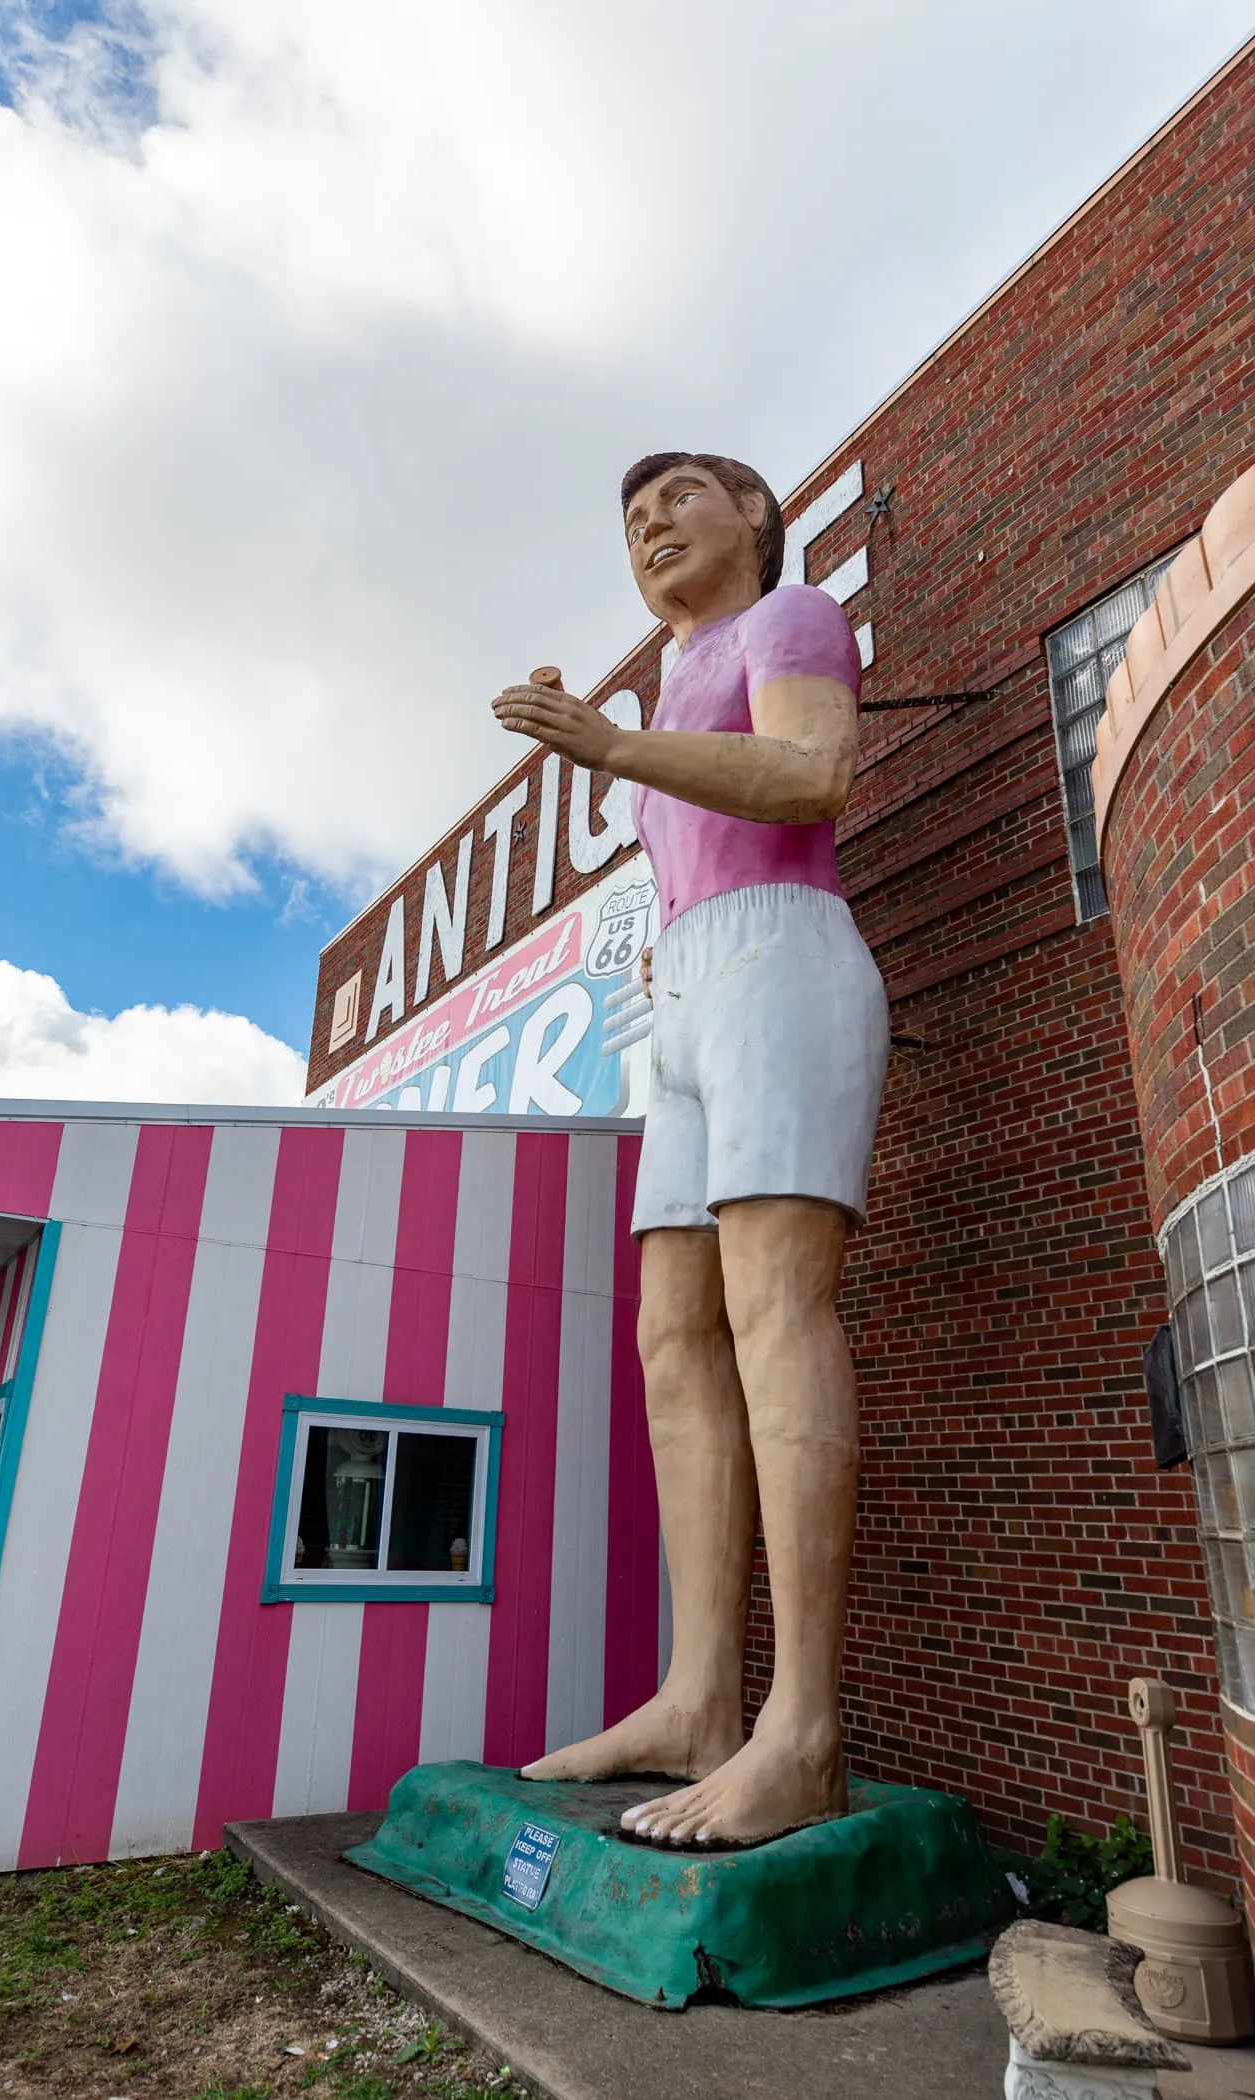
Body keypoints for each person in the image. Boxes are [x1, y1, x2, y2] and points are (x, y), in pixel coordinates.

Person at [492, 453, 888, 1847]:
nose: (652, 524)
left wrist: (602, 747)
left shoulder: (788, 620)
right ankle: (700, 1695)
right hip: (689, 997)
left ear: (759, 523)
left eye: (683, 499)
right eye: (632, 516)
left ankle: (807, 1728)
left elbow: (810, 776)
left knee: (778, 1307)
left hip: (785, 962)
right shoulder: (668, 685)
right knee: (674, 1333)